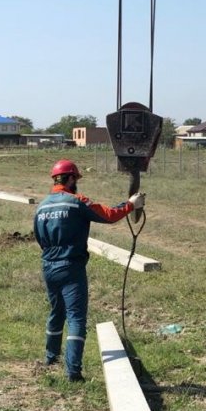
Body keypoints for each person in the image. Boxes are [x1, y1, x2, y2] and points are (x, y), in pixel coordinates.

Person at [33, 159, 145, 382]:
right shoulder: (77, 202)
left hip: (48, 266)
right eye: (76, 179)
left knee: (57, 313)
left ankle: (50, 357)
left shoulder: (42, 206)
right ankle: (73, 373)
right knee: (76, 318)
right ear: (71, 178)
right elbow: (109, 214)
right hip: (71, 267)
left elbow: (38, 236)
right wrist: (131, 204)